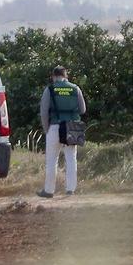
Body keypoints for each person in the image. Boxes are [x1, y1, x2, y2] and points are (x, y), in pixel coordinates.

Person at [37, 66, 86, 198]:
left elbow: (43, 112)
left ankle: (49, 190)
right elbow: (83, 110)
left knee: (52, 160)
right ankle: (70, 190)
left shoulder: (50, 89)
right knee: (71, 159)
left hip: (55, 126)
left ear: (53, 76)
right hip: (72, 127)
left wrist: (47, 128)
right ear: (66, 76)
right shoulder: (76, 88)